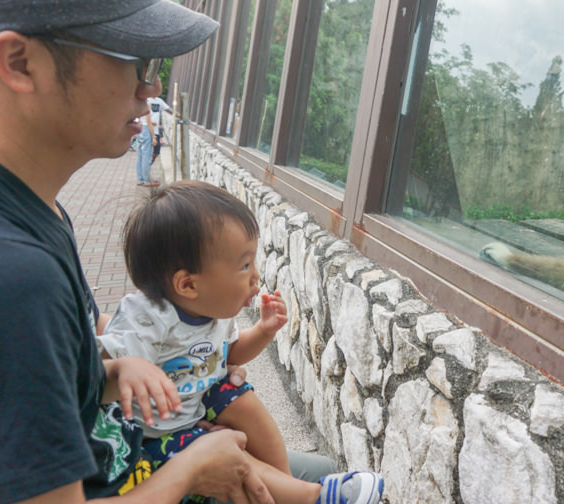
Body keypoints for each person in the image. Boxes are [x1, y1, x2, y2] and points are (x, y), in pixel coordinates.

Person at [0, 0, 325, 503]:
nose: (152, 87)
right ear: (19, 63)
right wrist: (190, 469)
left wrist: (137, 371)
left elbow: (60, 377)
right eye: (135, 60)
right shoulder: (10, 274)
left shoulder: (40, 212)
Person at [99, 181, 384, 504]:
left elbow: (231, 353)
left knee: (236, 395)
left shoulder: (213, 310)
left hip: (194, 405)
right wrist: (124, 368)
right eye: (244, 265)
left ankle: (283, 482)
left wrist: (263, 331)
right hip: (153, 437)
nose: (255, 276)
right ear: (188, 284)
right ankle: (310, 497)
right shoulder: (147, 318)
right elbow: (96, 366)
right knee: (221, 452)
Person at [136, 110, 158, 187]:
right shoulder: (146, 104)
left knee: (140, 156)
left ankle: (140, 179)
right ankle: (146, 180)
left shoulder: (138, 103)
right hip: (145, 130)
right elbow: (148, 122)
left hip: (139, 129)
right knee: (146, 155)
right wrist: (153, 136)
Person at [148, 96, 165, 163]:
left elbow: (167, 108)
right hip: (147, 130)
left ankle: (149, 163)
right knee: (146, 151)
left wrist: (179, 115)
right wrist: (150, 122)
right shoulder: (146, 100)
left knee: (157, 151)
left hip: (156, 130)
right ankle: (145, 167)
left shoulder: (159, 101)